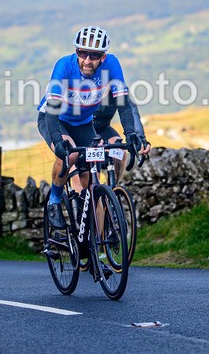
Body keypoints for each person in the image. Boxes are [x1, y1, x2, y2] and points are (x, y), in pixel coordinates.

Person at [37, 26, 141, 230]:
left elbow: (124, 104)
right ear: (76, 52)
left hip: (83, 123)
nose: (87, 60)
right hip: (55, 120)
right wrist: (58, 141)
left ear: (103, 57)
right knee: (70, 155)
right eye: (82, 53)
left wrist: (131, 134)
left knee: (86, 178)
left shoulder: (112, 65)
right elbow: (51, 112)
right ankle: (55, 202)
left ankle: (87, 238)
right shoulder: (64, 67)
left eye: (93, 55)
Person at [93, 98, 152, 182]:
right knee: (94, 155)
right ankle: (92, 190)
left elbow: (131, 111)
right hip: (81, 129)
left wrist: (140, 139)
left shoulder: (118, 86)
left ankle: (113, 191)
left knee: (120, 151)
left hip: (103, 129)